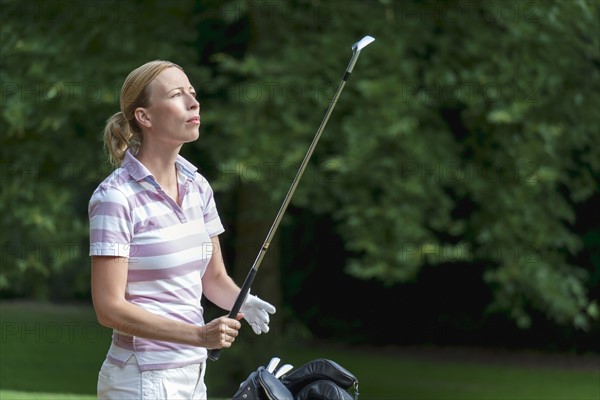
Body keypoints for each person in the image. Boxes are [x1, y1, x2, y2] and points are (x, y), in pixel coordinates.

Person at [88, 60, 276, 400]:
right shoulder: (115, 197)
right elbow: (108, 307)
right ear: (144, 117)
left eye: (192, 92)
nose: (193, 102)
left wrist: (242, 301)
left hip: (192, 375)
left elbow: (214, 280)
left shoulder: (197, 186)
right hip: (140, 378)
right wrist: (198, 335)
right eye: (177, 94)